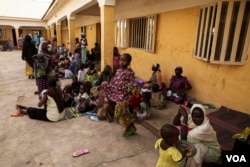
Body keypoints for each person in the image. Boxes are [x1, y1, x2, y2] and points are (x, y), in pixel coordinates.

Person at [103, 53, 136, 136]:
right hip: (116, 92)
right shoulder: (118, 70)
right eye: (121, 60)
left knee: (123, 113)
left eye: (124, 61)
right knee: (122, 113)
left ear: (129, 62)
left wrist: (126, 89)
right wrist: (108, 84)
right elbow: (114, 81)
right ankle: (131, 127)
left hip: (123, 95)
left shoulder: (129, 73)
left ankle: (130, 127)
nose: (121, 62)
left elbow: (131, 86)